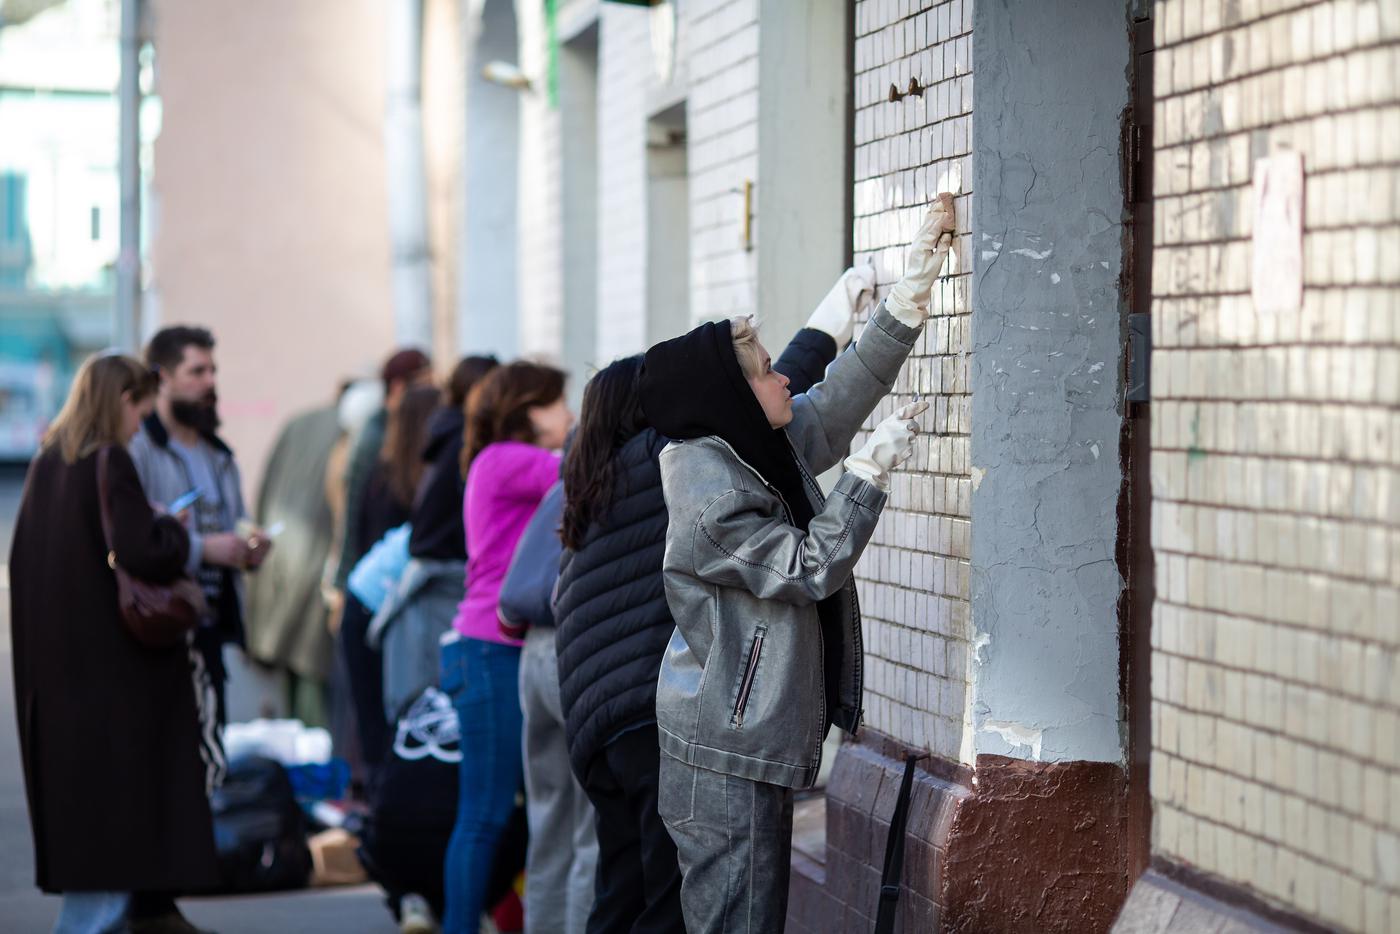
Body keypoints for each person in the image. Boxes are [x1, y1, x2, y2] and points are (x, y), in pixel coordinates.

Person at [639, 196, 955, 933]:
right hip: (724, 761)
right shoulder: (712, 501)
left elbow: (836, 402)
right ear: (728, 398)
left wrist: (909, 298)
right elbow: (809, 565)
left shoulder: (748, 452)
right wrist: (867, 477)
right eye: (763, 373)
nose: (783, 378)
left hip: (739, 745)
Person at [553, 272, 870, 934]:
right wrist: (824, 331)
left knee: (628, 890)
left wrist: (830, 331)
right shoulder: (681, 462)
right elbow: (758, 404)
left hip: (592, 717)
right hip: (656, 711)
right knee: (682, 905)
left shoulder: (597, 477)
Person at [9, 353, 219, 934]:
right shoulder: (110, 460)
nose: (141, 422)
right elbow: (142, 551)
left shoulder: (49, 461)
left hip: (55, 678)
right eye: (139, 408)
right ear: (123, 400)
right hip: (113, 679)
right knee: (114, 835)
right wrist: (171, 529)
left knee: (93, 832)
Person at [441, 361, 573, 934]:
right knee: (484, 816)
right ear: (525, 410)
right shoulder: (508, 458)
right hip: (491, 649)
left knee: (499, 814)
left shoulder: (494, 460)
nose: (568, 414)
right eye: (557, 403)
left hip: (491, 647)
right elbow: (588, 470)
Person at [129, 325, 270, 795]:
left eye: (213, 370)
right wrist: (200, 549)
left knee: (208, 758)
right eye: (197, 371)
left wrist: (250, 550)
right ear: (162, 378)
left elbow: (238, 522)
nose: (210, 381)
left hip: (209, 628)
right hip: (157, 630)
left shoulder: (218, 454)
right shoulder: (139, 450)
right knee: (160, 762)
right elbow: (132, 538)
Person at [341, 382, 442, 787]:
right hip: (379, 607)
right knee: (387, 732)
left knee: (378, 729)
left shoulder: (385, 475)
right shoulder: (411, 484)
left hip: (368, 600)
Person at [243, 396, 343, 727]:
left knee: (293, 682)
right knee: (313, 685)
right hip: (317, 569)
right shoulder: (349, 430)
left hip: (279, 561)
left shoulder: (300, 423)